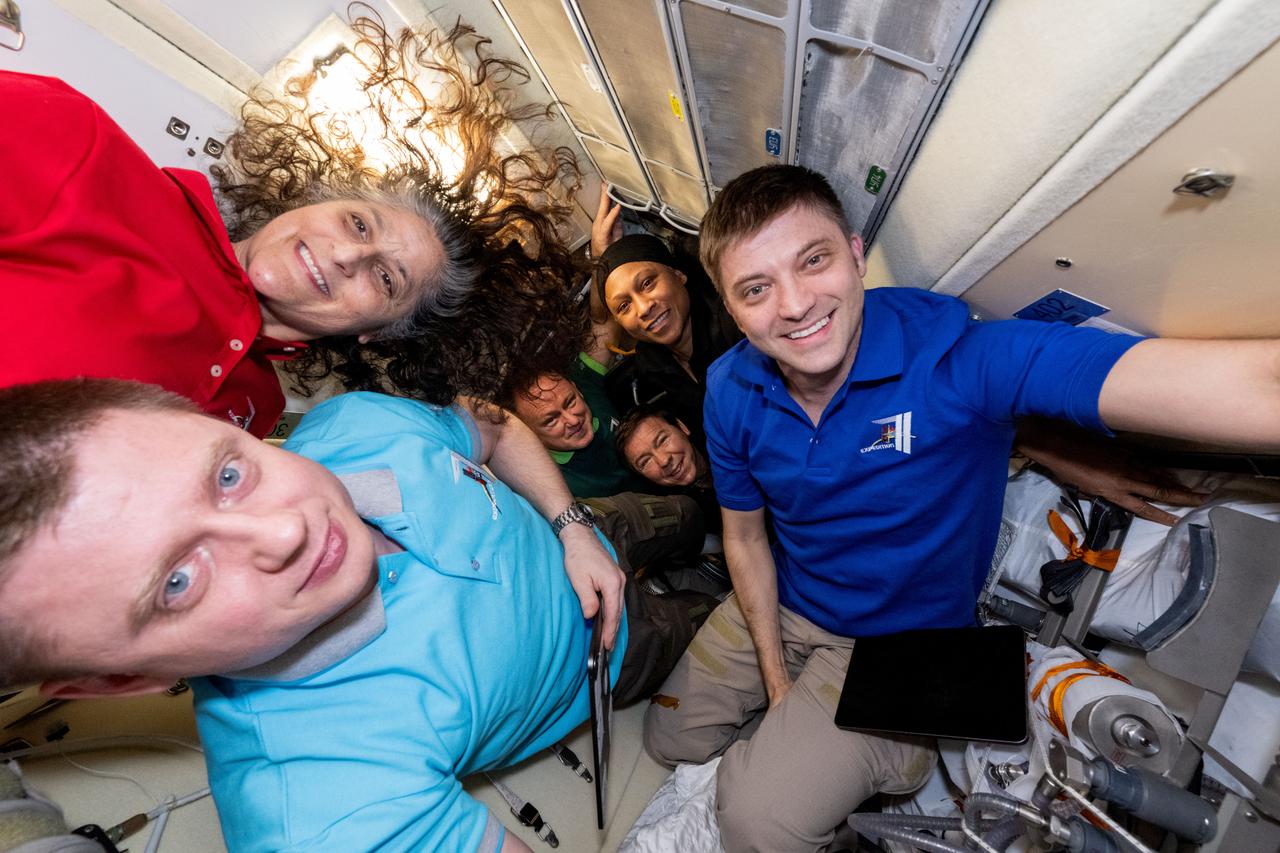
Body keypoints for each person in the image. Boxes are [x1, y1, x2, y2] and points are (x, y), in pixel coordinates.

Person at [641, 164, 1280, 852]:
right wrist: (776, 678)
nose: (794, 304)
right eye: (756, 288)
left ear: (856, 256)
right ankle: (797, 741)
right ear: (730, 309)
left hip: (888, 653)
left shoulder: (956, 359)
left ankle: (890, 750)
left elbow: (1249, 383)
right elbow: (743, 538)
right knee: (669, 737)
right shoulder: (731, 389)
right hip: (783, 602)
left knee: (755, 822)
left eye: (814, 260)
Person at [0, 377, 712, 852]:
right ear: (121, 681)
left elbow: (492, 429)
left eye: (226, 475)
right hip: (617, 653)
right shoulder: (318, 810)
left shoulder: (356, 422)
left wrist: (571, 523)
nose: (283, 532)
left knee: (693, 512)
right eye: (178, 581)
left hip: (585, 527)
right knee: (720, 610)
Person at [1, 16, 588, 438]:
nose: (345, 256)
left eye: (385, 278)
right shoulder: (80, 148)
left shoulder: (255, 407)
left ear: (378, 334)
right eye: (357, 223)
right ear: (312, 200)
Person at [506, 371, 711, 588]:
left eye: (570, 401)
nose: (572, 419)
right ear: (531, 434)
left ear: (578, 390)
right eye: (551, 420)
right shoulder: (549, 486)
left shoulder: (594, 390)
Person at [597, 233, 744, 443]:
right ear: (621, 325)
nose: (643, 308)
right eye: (624, 306)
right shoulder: (651, 375)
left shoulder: (736, 324)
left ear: (678, 274)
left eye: (647, 283)